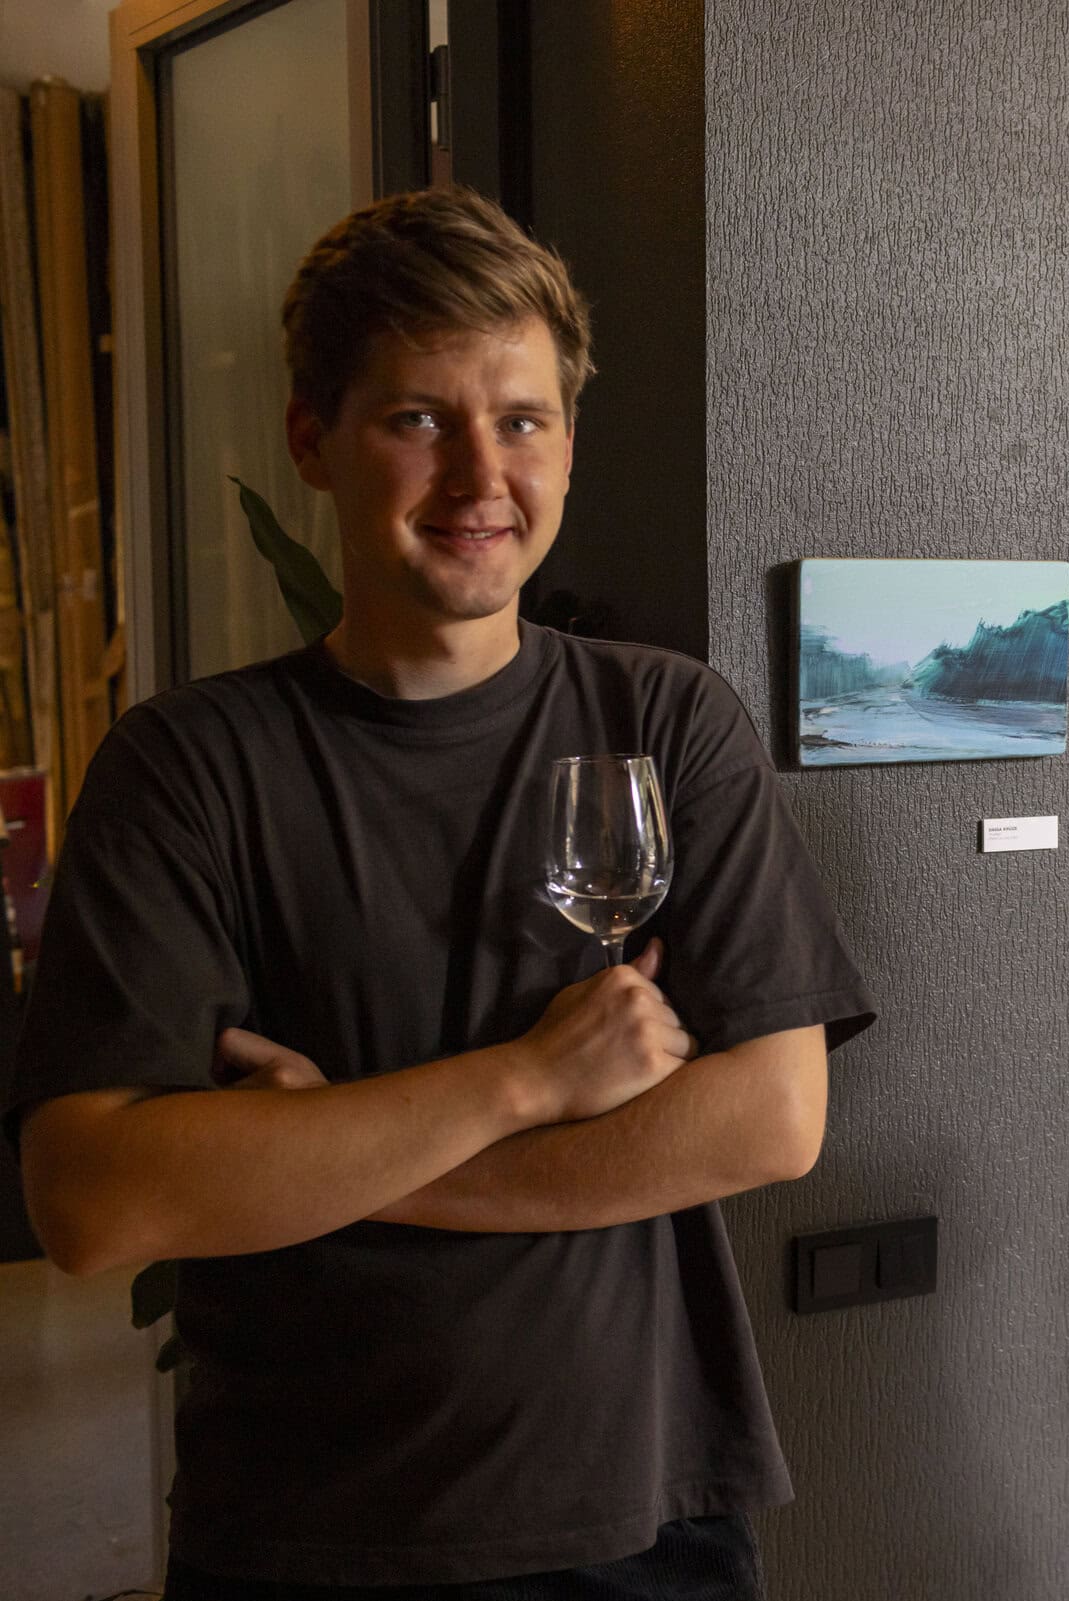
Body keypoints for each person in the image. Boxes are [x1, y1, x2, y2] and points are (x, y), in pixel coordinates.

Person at [7, 187, 875, 1597]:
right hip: (306, 1535)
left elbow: (770, 1119)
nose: (482, 476)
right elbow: (97, 1201)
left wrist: (335, 1161)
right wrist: (530, 1080)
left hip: (644, 1529)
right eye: (419, 418)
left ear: (569, 445)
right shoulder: (190, 766)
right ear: (313, 439)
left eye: (522, 421)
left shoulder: (665, 724)